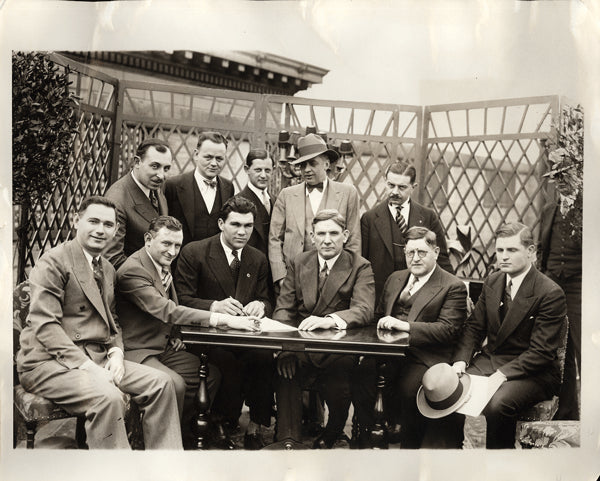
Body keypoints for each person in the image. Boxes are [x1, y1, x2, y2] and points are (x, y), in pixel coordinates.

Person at [16, 196, 182, 449]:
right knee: (109, 397)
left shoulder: (106, 268)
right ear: (76, 221)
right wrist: (89, 368)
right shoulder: (53, 261)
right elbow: (46, 326)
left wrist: (116, 352)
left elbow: (112, 319)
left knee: (162, 383)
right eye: (93, 221)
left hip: (98, 356)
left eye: (108, 224)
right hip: (48, 363)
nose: (100, 230)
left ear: (115, 230)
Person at [116, 215, 260, 448]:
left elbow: (165, 311)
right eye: (166, 243)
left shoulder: (161, 263)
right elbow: (166, 309)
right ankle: (159, 441)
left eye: (176, 245)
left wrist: (174, 335)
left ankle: (183, 430)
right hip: (137, 351)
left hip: (162, 346)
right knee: (176, 384)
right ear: (148, 239)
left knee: (210, 376)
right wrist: (222, 319)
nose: (172, 251)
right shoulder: (133, 270)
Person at [428, 222, 567, 449]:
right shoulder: (493, 282)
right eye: (500, 250)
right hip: (492, 360)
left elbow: (541, 352)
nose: (503, 257)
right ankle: (448, 460)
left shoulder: (549, 293)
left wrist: (503, 374)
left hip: (533, 371)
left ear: (530, 252)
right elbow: (474, 327)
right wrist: (461, 360)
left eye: (512, 250)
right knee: (449, 392)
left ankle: (498, 464)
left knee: (498, 404)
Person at [352, 227, 467, 448]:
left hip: (425, 356)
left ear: (435, 251)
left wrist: (404, 325)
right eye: (410, 253)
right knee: (361, 376)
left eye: (422, 252)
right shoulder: (396, 278)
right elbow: (377, 316)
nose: (415, 258)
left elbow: (448, 330)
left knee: (409, 389)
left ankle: (409, 447)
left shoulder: (452, 286)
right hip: (388, 351)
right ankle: (370, 440)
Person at [175, 195, 273, 450]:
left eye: (248, 226)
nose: (242, 232)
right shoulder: (195, 251)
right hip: (208, 336)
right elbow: (181, 299)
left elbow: (266, 298)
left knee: (264, 357)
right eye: (235, 225)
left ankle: (256, 425)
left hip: (244, 335)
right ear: (221, 223)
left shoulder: (257, 258)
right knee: (226, 361)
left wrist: (260, 305)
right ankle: (219, 422)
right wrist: (213, 306)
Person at [272, 209, 375, 449]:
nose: (327, 239)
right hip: (302, 344)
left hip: (338, 348)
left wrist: (330, 319)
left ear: (345, 235)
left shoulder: (360, 266)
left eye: (333, 233)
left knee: (340, 375)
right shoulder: (300, 262)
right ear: (312, 235)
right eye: (321, 233)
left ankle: (333, 432)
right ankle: (288, 440)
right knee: (285, 367)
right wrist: (286, 347)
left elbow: (364, 309)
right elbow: (284, 310)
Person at [269, 133, 361, 291]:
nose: (307, 170)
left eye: (312, 163)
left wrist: (345, 279)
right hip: (293, 280)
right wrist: (281, 278)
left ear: (326, 164)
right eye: (303, 165)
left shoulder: (348, 193)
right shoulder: (287, 195)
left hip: (334, 281)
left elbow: (353, 240)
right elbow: (274, 239)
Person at [360, 161, 453, 304]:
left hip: (421, 299)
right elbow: (363, 264)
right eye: (391, 185)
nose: (395, 192)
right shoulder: (369, 219)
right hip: (381, 298)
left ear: (413, 187)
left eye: (402, 187)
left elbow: (441, 259)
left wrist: (452, 291)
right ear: (385, 182)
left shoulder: (428, 216)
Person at [539, 196, 581, 420]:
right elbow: (541, 248)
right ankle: (566, 413)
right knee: (558, 349)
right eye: (557, 177)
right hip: (553, 283)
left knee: (585, 348)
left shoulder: (588, 208)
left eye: (566, 175)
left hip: (580, 285)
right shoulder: (549, 209)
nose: (561, 182)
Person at [104, 138, 172, 269]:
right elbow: (113, 259)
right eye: (155, 166)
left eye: (166, 168)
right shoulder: (117, 200)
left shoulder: (154, 187)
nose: (161, 175)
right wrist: (154, 276)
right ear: (137, 162)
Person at [165, 131, 235, 246]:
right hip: (182, 258)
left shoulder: (228, 187)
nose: (213, 163)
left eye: (219, 159)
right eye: (208, 157)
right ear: (196, 154)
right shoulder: (173, 185)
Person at [238, 148, 273, 257]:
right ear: (247, 169)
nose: (263, 175)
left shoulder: (276, 200)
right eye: (258, 170)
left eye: (267, 170)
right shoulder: (237, 202)